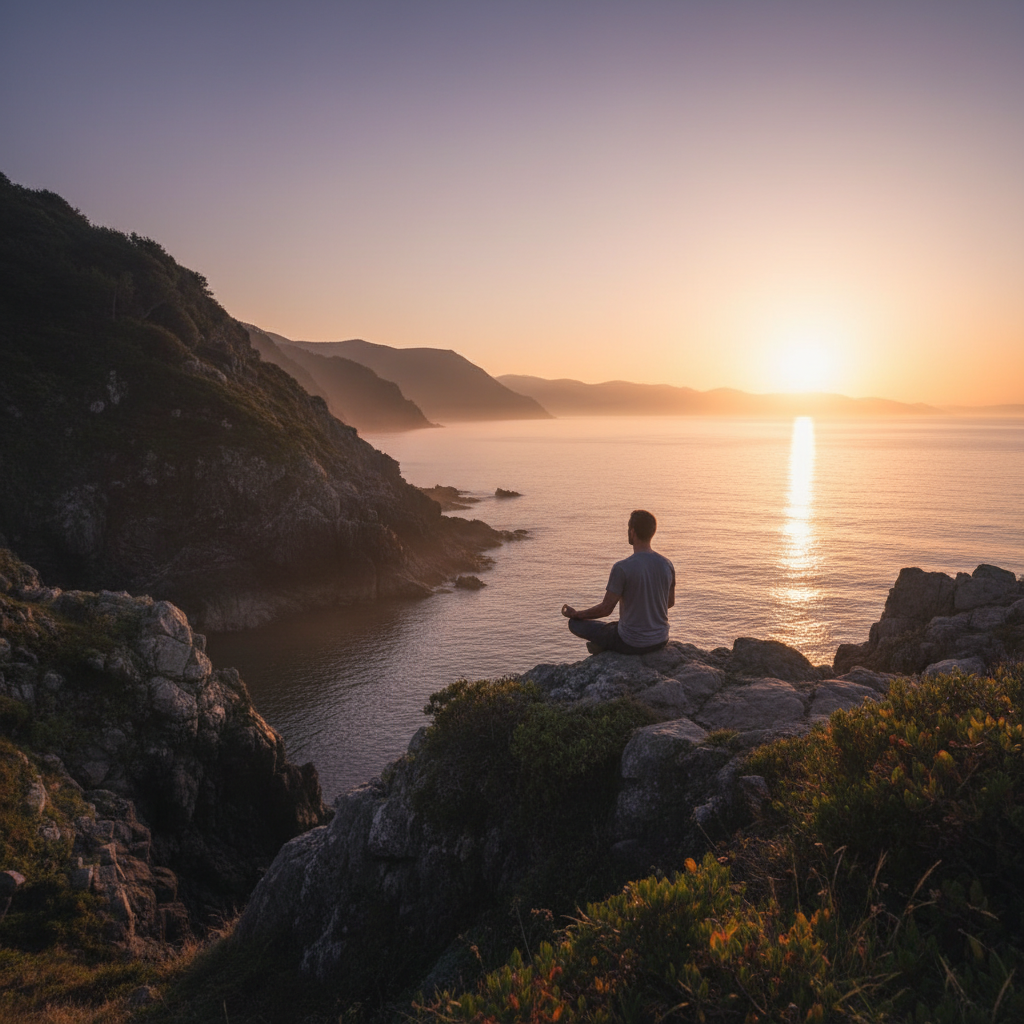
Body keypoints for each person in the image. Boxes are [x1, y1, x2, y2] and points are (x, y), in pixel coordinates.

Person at [560, 509, 675, 655]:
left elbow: (606, 609)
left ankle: (603, 647)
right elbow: (670, 602)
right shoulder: (667, 564)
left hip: (631, 642)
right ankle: (604, 644)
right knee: (614, 627)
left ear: (632, 532)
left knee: (575, 624)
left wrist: (577, 614)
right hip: (660, 639)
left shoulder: (622, 568)